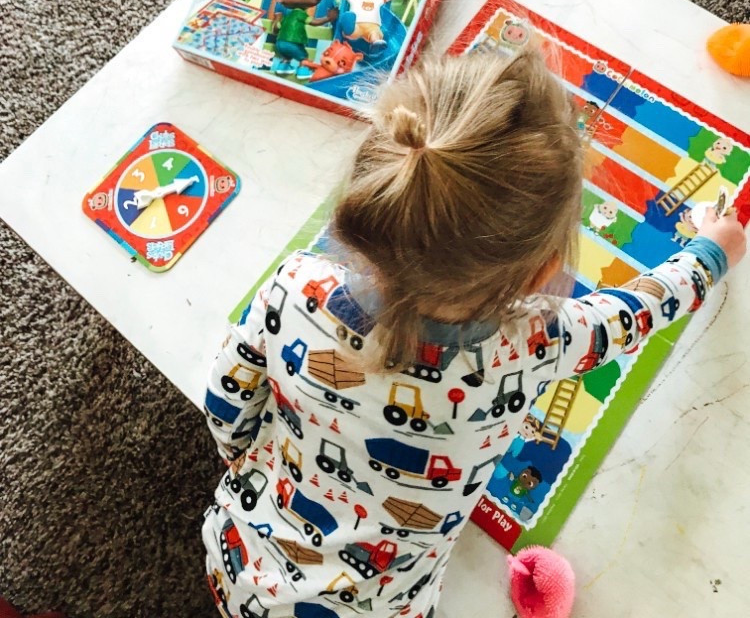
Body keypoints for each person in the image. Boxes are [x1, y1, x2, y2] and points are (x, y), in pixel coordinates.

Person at [201, 49, 747, 618]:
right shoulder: (537, 343)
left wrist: (255, 461)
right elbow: (640, 311)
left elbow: (225, 407)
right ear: (541, 274)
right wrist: (713, 249)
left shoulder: (294, 286)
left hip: (236, 569)